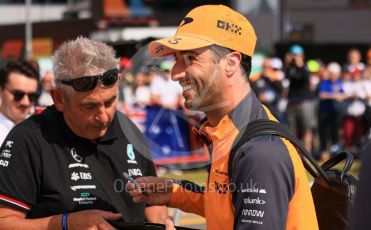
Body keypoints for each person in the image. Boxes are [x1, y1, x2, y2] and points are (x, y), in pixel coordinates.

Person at [128, 4, 318, 230]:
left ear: (231, 63)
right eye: (176, 59)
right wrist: (173, 192)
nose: (175, 73)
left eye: (189, 59)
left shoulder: (258, 151)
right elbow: (226, 200)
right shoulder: (231, 129)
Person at [0, 37, 168, 229]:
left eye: (110, 102)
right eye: (89, 106)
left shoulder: (129, 130)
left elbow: (153, 205)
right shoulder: (28, 139)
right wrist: (64, 223)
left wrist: (162, 223)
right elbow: (4, 222)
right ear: (59, 98)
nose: (103, 117)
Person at [284, 44, 317, 154]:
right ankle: (294, 153)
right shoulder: (290, 68)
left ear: (302, 56)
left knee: (306, 128)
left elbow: (304, 77)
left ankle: (308, 153)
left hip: (305, 101)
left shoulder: (306, 67)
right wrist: (288, 63)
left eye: (296, 55)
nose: (294, 57)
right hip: (292, 101)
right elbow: (287, 76)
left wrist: (299, 64)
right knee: (292, 128)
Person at [0, 59, 40, 146]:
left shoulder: (39, 129)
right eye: (18, 95)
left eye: (32, 96)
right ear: (1, 90)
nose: (25, 102)